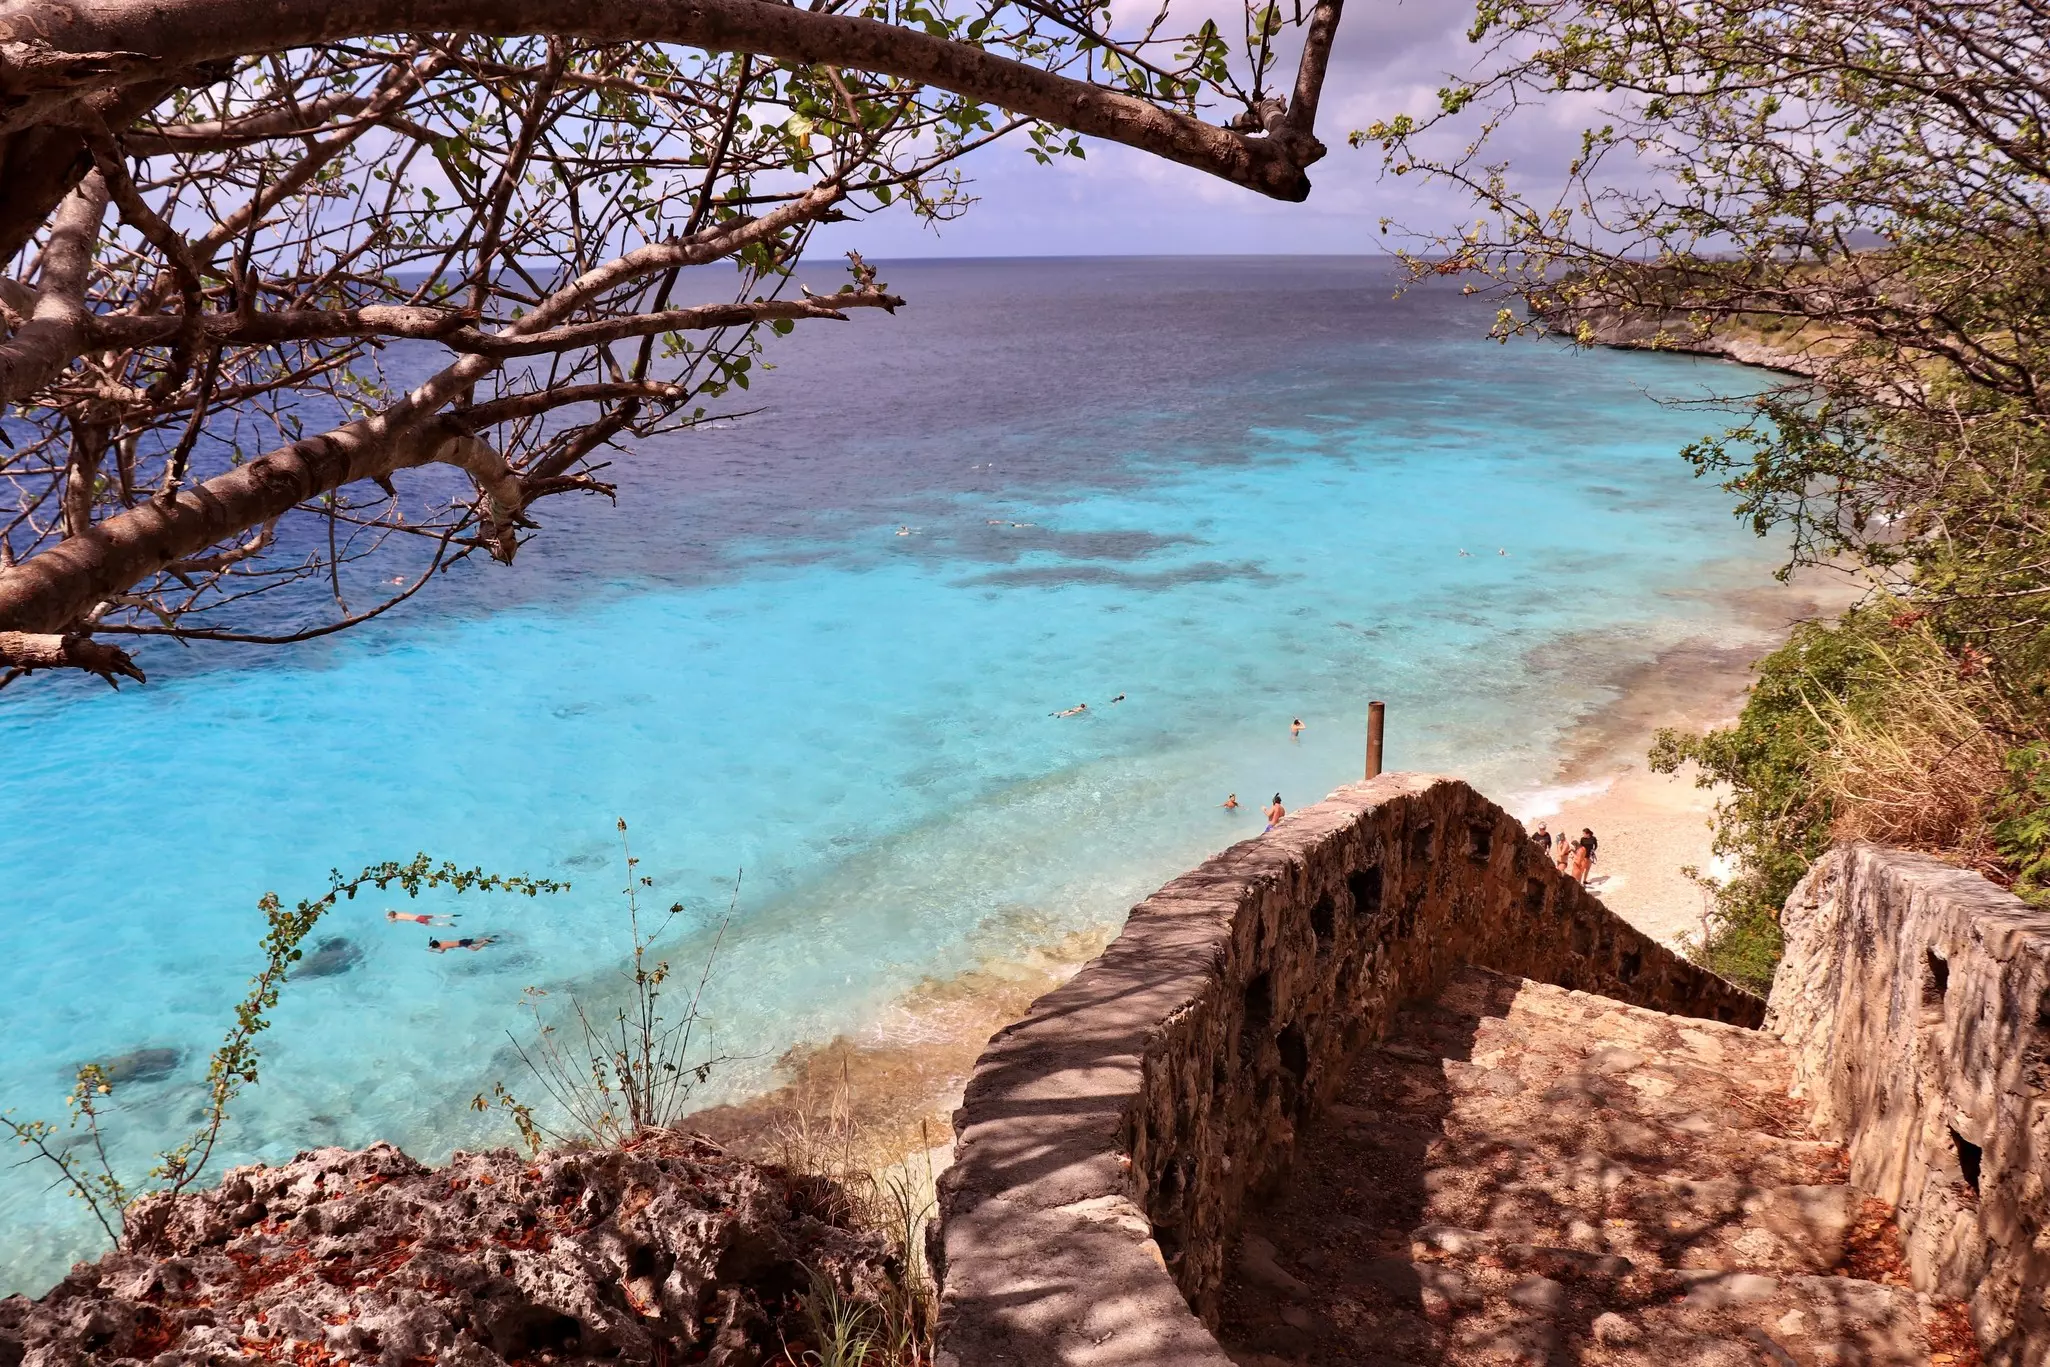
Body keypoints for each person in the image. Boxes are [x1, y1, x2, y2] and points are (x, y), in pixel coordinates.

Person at [387, 909, 456, 926]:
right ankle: (450, 915)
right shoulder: (399, 913)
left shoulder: (397, 918)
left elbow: (392, 921)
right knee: (434, 916)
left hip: (418, 919)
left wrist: (389, 919)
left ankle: (448, 924)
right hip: (420, 916)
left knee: (433, 924)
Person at [428, 936, 498, 953]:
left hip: (462, 944)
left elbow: (442, 952)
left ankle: (485, 942)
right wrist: (431, 944)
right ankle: (491, 937)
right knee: (477, 941)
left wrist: (432, 950)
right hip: (462, 940)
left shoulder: (442, 947)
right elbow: (437, 944)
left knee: (474, 949)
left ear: (436, 946)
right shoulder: (442, 942)